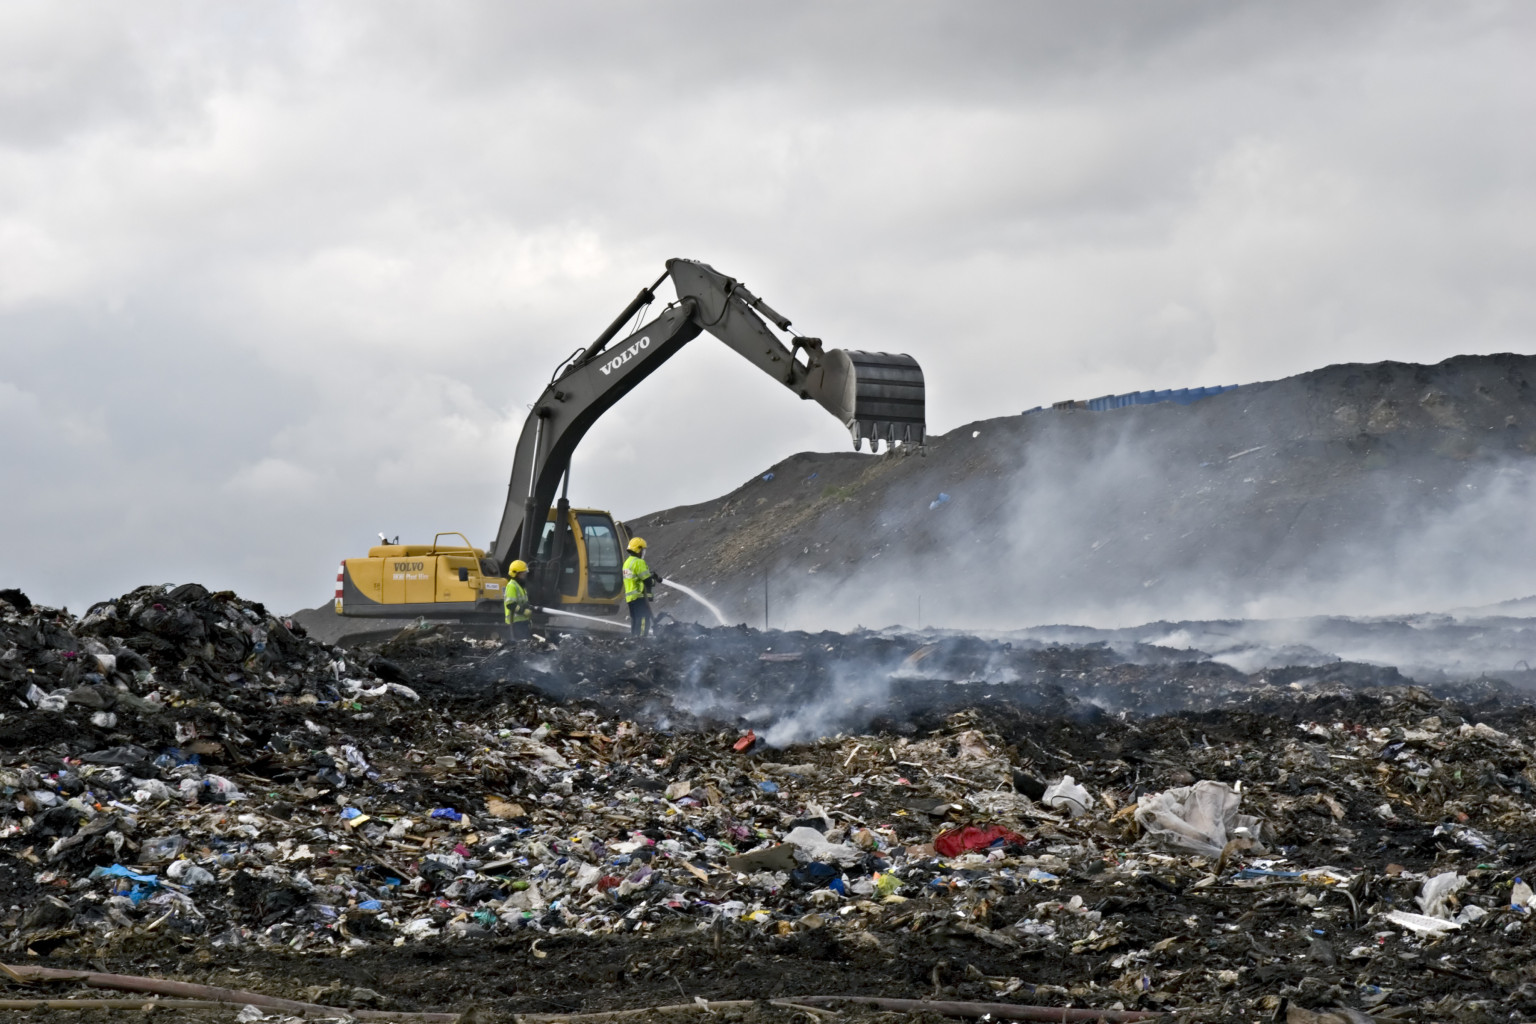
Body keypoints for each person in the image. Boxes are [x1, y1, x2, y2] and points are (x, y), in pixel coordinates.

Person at [622, 537, 662, 636]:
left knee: (636, 620)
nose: (643, 553)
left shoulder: (627, 563)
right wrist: (653, 581)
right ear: (638, 549)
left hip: (630, 598)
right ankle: (641, 641)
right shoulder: (638, 562)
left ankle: (634, 641)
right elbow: (647, 581)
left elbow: (636, 577)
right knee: (644, 620)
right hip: (640, 597)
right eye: (642, 550)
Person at [503, 559, 532, 641]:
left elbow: (523, 602)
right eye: (523, 574)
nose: (525, 576)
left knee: (525, 645)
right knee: (520, 646)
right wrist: (523, 611)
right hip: (515, 623)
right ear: (516, 573)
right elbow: (510, 604)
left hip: (522, 622)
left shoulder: (520, 586)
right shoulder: (512, 586)